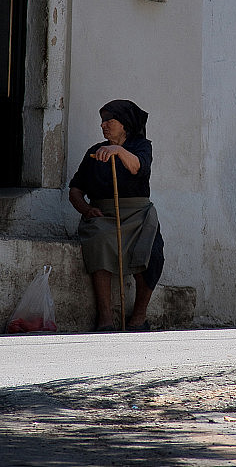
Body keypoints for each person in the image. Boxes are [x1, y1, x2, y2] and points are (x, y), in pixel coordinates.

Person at [69, 99, 165, 331]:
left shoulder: (142, 146)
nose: (103, 125)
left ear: (124, 124)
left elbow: (137, 168)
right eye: (101, 121)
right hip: (104, 214)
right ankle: (105, 318)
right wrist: (86, 209)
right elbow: (75, 190)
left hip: (139, 214)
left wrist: (119, 151)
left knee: (153, 253)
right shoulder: (94, 152)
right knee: (99, 240)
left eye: (109, 120)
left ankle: (138, 317)